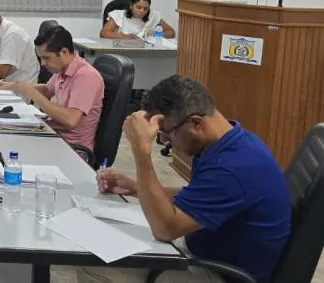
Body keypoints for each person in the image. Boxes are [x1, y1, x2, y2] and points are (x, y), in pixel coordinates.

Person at [85, 75, 290, 283]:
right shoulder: (228, 142)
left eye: (166, 133)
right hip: (205, 255)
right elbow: (197, 196)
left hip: (221, 274)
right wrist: (136, 188)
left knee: (95, 267)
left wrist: (141, 150)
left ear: (196, 123)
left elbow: (166, 229)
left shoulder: (233, 168)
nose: (166, 141)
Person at [0, 25, 103, 149]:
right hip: (52, 134)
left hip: (71, 147)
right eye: (41, 58)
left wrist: (32, 93)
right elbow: (47, 89)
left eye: (46, 58)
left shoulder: (86, 76)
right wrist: (11, 86)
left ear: (64, 52)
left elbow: (71, 119)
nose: (43, 63)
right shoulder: (62, 68)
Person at [101, 0, 176, 40]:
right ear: (131, 6)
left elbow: (171, 32)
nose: (142, 11)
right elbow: (104, 33)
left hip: (145, 51)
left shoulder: (152, 16)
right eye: (139, 7)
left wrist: (155, 34)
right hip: (122, 48)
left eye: (145, 9)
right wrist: (123, 36)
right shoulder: (118, 14)